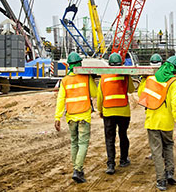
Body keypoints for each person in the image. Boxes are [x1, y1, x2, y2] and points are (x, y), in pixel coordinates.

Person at [138, 55, 176, 191]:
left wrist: (142, 81)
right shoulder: (174, 82)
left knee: (156, 151)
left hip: (152, 121)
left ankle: (161, 180)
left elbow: (141, 95)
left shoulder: (151, 79)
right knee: (168, 146)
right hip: (167, 123)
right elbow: (175, 105)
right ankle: (170, 173)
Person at [54, 52, 97, 183]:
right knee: (83, 143)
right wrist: (92, 79)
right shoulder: (85, 77)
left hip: (71, 117)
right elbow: (94, 94)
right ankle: (77, 170)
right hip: (84, 115)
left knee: (74, 143)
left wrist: (57, 117)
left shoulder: (65, 80)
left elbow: (60, 99)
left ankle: (77, 168)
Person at [97, 53, 135, 175]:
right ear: (121, 64)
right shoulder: (124, 74)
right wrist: (127, 77)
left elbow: (100, 96)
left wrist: (100, 110)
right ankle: (123, 160)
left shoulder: (104, 77)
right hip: (123, 111)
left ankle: (111, 164)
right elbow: (131, 90)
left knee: (109, 138)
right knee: (123, 135)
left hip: (108, 111)